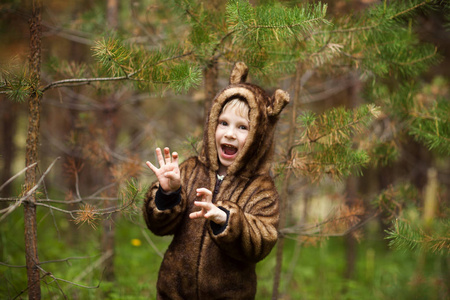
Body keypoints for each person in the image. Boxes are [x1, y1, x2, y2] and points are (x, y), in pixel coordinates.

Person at [143, 62, 289, 299]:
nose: (230, 133)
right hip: (174, 291)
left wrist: (226, 219)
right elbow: (158, 227)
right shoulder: (190, 170)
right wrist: (168, 194)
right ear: (213, 124)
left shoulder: (260, 188)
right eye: (224, 123)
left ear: (258, 137)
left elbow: (263, 240)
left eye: (243, 127)